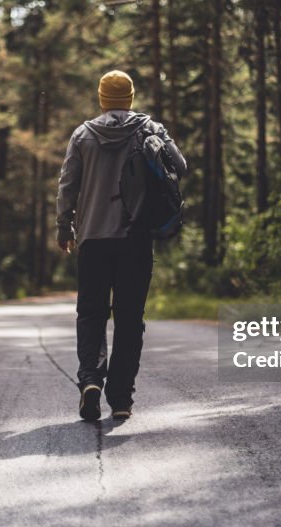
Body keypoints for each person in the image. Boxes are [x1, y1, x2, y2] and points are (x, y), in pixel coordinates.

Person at [56, 70, 187, 422]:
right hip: (135, 238)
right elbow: (181, 165)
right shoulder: (150, 129)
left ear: (101, 97)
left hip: (93, 239)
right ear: (130, 97)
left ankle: (90, 381)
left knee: (92, 314)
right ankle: (121, 399)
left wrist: (63, 227)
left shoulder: (83, 134)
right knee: (130, 320)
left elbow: (67, 185)